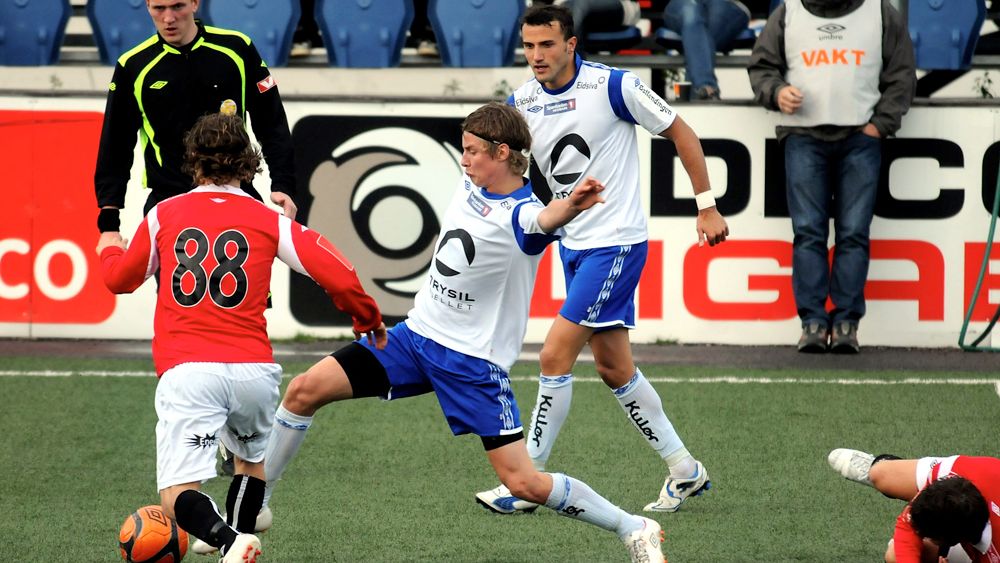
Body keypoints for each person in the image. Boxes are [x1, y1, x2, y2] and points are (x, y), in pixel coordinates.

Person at [261, 102, 667, 563]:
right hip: (413, 339)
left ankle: (634, 528)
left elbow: (544, 220)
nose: (464, 158)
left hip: (471, 364)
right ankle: (257, 502)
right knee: (303, 391)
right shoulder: (471, 183)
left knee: (524, 483)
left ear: (501, 153)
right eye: (464, 149)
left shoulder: (523, 214)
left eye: (473, 151)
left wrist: (571, 206)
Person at [476, 3, 729, 516]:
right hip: (573, 244)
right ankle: (684, 469)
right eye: (529, 46)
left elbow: (682, 132)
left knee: (553, 356)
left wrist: (707, 206)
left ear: (571, 44)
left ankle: (527, 482)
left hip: (616, 244)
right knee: (614, 368)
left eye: (547, 44)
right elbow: (518, 174)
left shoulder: (614, 85)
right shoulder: (521, 102)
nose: (536, 55)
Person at [97, 112, 383, 563]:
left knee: (175, 496)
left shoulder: (164, 214)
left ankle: (229, 539)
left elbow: (119, 281)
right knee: (251, 466)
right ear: (248, 163)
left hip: (190, 370)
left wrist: (109, 247)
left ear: (193, 160)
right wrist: (367, 318)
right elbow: (339, 274)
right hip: (254, 371)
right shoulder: (267, 219)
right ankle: (234, 540)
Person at [747, 0, 915, 354]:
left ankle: (845, 324)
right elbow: (762, 67)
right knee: (810, 233)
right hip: (803, 137)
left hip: (860, 139)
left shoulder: (879, 11)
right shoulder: (789, 10)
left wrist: (880, 125)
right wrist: (776, 92)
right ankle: (813, 322)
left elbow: (902, 74)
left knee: (852, 233)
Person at [94, 0, 298, 251]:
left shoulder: (237, 48)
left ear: (195, 3)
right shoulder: (133, 65)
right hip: (170, 203)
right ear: (147, 6)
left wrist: (283, 185)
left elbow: (272, 123)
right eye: (159, 8)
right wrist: (109, 225)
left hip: (236, 196)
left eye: (177, 6)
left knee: (256, 279)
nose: (168, 18)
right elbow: (115, 146)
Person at [828, 449, 1000, 562]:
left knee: (893, 555)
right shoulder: (956, 473)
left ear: (951, 540)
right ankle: (883, 464)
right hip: (974, 495)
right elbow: (906, 523)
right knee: (880, 473)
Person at [661, 0, 752, 100]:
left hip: (728, 3)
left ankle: (701, 91)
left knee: (698, 34)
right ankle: (706, 87)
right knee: (690, 13)